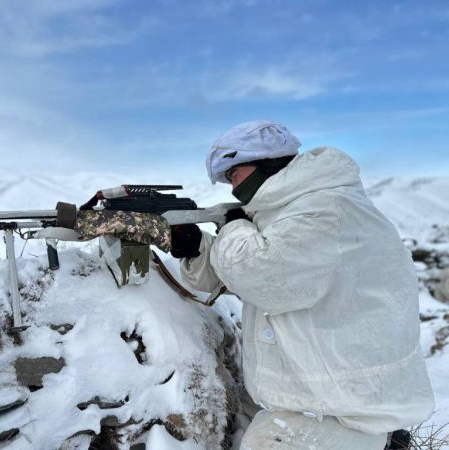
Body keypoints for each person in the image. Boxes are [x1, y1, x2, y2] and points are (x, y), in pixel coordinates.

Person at [170, 120, 434, 449]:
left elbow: (261, 276)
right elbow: (249, 268)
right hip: (317, 396)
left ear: (261, 166)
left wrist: (234, 228)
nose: (232, 188)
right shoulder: (291, 208)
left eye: (233, 176)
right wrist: (197, 248)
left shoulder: (324, 210)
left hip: (348, 407)